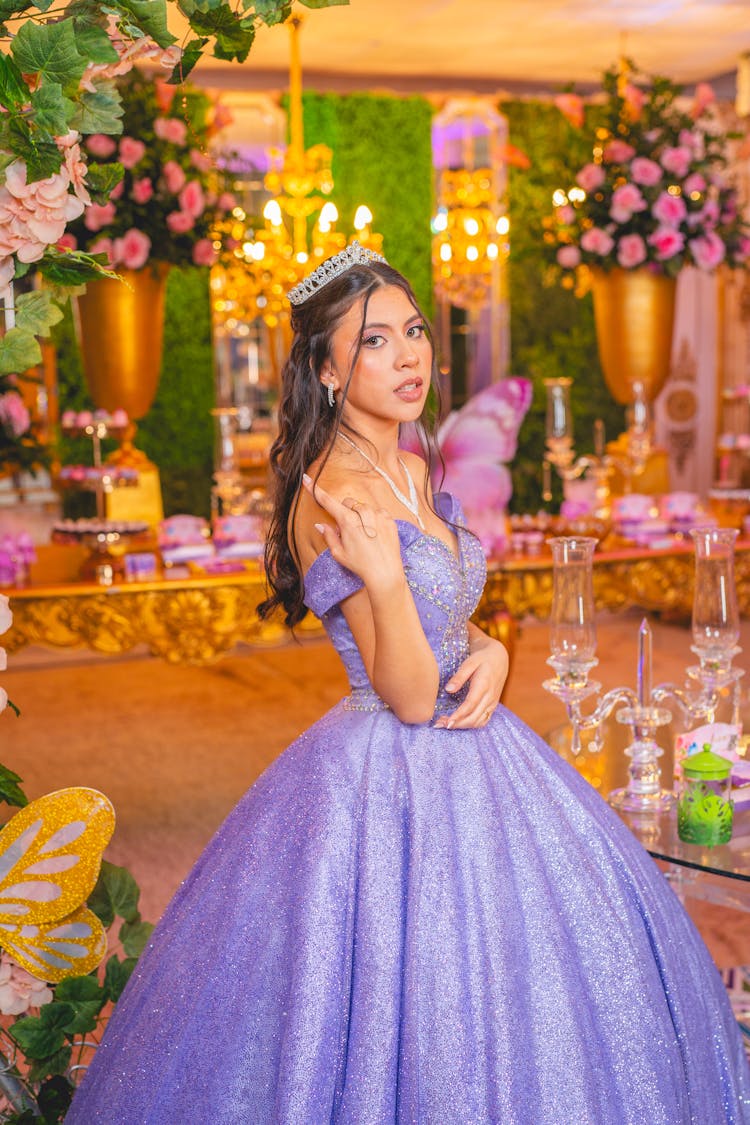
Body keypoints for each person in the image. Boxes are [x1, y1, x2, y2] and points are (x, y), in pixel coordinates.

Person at [68, 244, 750, 1124]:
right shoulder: (336, 495)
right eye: (376, 342)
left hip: (478, 740)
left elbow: (448, 618)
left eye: (415, 334)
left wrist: (495, 650)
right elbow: (409, 694)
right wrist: (385, 582)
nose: (411, 358)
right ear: (325, 370)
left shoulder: (412, 466)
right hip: (391, 763)